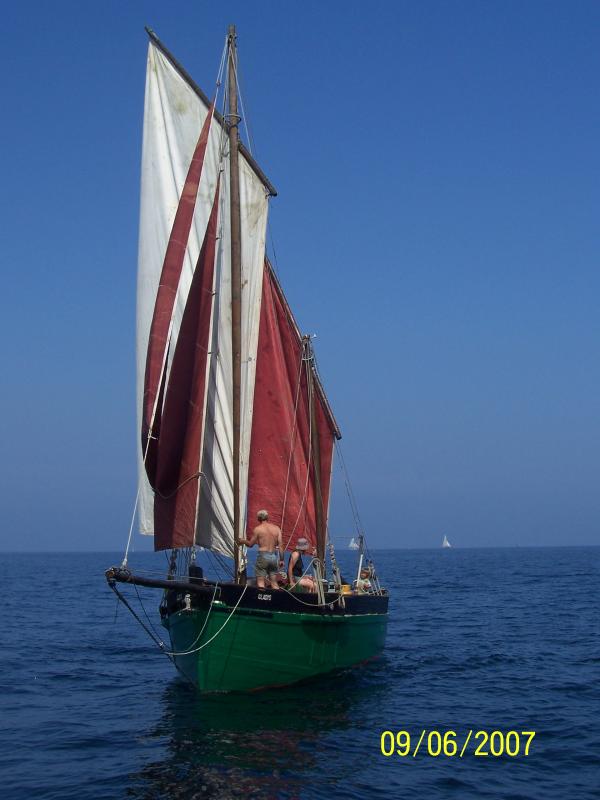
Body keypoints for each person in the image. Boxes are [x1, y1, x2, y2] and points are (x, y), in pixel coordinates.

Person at [237, 510, 283, 589]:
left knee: (261, 582)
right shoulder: (276, 528)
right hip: (273, 557)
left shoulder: (258, 529)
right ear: (267, 518)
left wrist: (242, 541)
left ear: (258, 519)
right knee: (274, 582)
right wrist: (282, 560)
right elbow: (281, 545)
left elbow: (250, 544)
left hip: (263, 557)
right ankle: (277, 599)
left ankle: (262, 599)